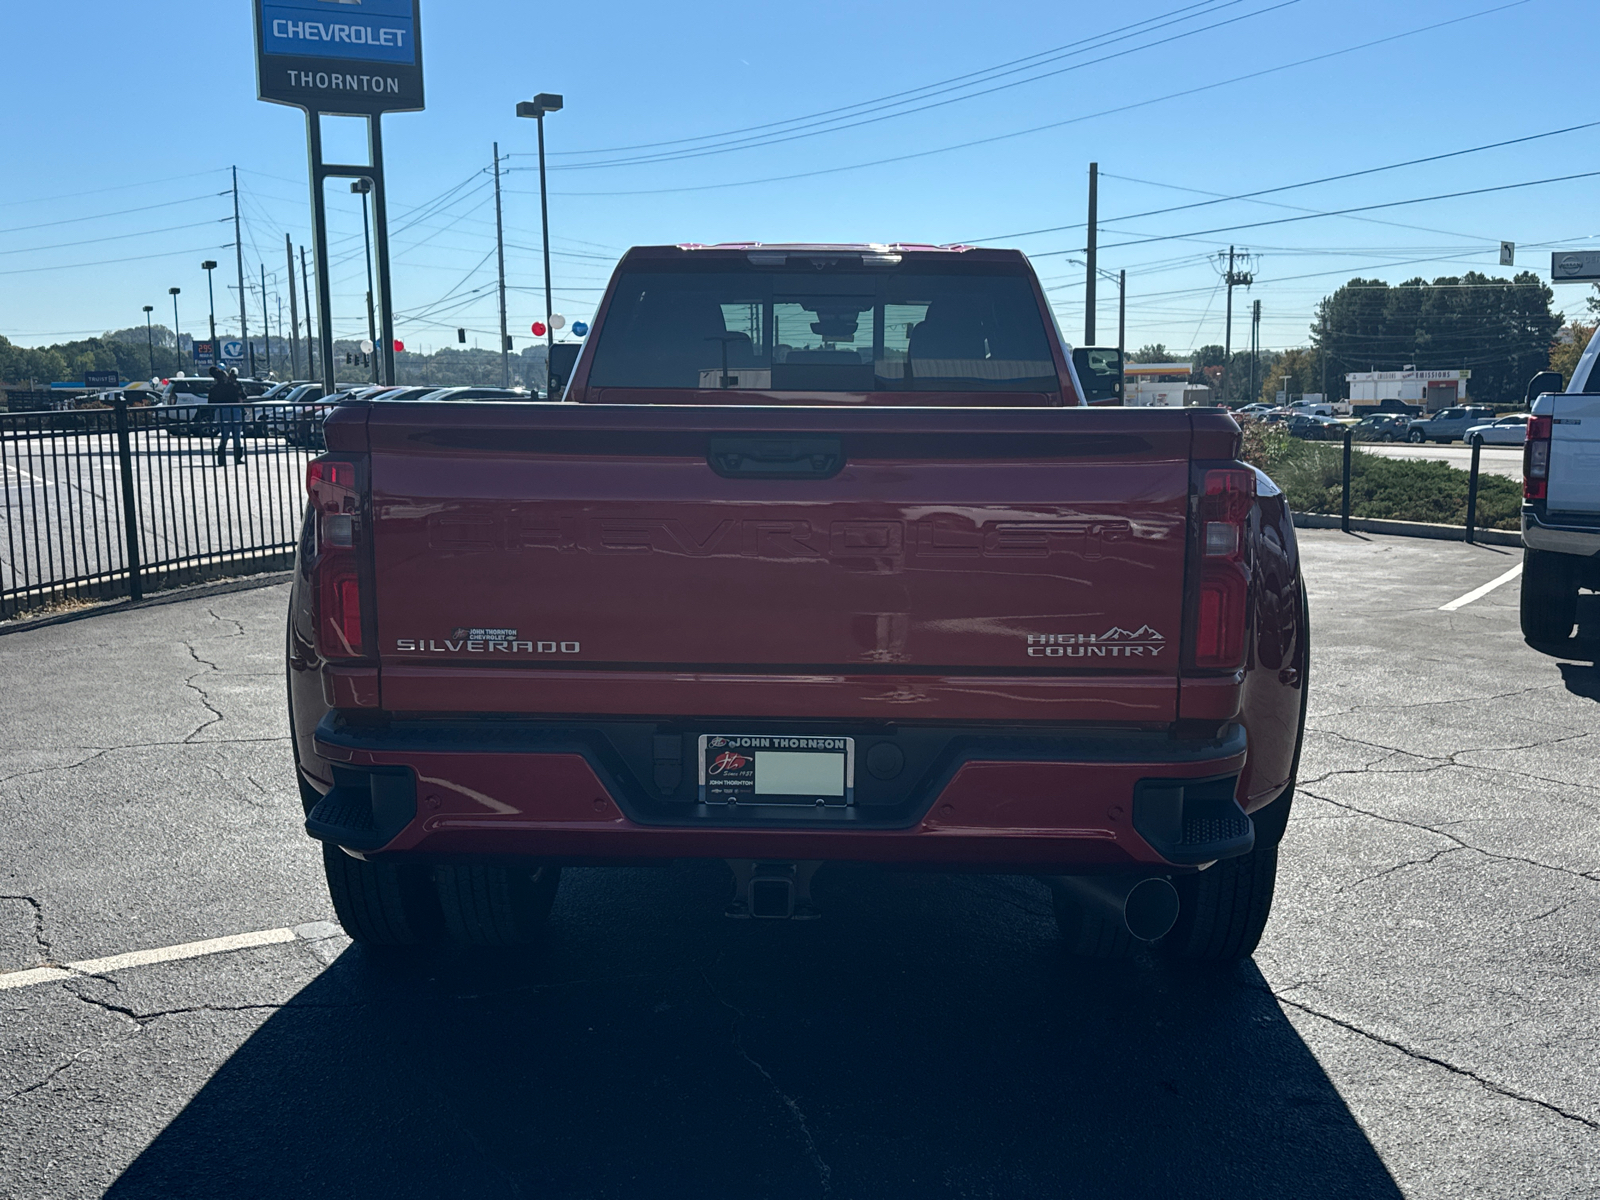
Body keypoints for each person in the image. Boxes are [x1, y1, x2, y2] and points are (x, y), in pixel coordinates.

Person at [209, 366, 246, 465]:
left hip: (222, 410)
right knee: (236, 435)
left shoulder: (217, 386)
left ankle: (221, 458)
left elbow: (211, 400)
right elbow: (243, 396)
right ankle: (237, 458)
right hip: (235, 410)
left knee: (225, 436)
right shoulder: (235, 385)